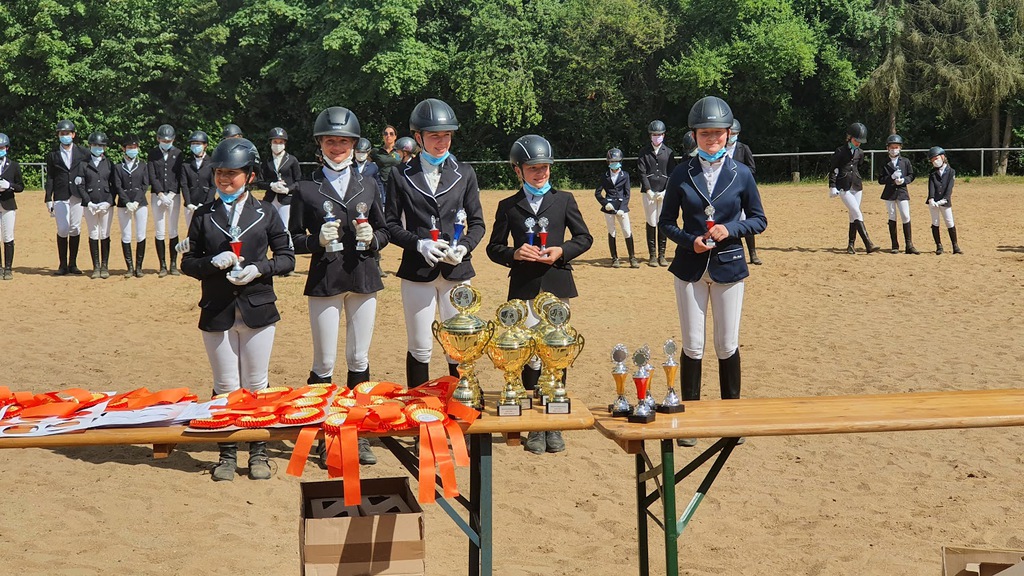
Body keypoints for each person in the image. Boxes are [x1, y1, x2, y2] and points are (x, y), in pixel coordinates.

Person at [181, 138, 295, 482]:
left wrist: (260, 268)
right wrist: (210, 263)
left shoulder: (266, 212)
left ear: (250, 175)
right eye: (219, 172)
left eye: (231, 173)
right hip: (217, 309)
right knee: (226, 383)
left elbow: (287, 258)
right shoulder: (203, 214)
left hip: (258, 308)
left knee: (256, 383)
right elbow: (188, 262)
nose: (224, 178)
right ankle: (227, 452)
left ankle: (258, 450)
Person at [659, 96, 767, 448]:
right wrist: (689, 241)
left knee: (726, 343)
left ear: (728, 134)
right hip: (690, 266)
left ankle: (731, 420)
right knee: (693, 344)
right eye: (705, 134)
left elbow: (759, 220)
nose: (712, 139)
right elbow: (665, 222)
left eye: (718, 133)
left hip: (729, 264)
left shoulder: (742, 173)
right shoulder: (681, 173)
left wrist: (730, 229)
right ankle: (689, 421)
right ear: (694, 136)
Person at [289, 107, 389, 465]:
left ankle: (357, 430)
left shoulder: (369, 184)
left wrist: (373, 238)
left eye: (343, 142)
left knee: (359, 357)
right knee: (324, 360)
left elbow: (385, 230)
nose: (337, 147)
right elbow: (292, 239)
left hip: (363, 277)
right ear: (320, 144)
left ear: (353, 145)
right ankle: (323, 432)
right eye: (330, 141)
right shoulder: (305, 188)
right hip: (326, 279)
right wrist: (315, 240)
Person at [486, 134, 593, 454]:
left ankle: (554, 423)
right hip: (524, 288)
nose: (541, 172)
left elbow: (584, 238)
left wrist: (562, 250)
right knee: (530, 355)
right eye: (533, 168)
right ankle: (534, 424)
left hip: (557, 285)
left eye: (544, 167)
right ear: (517, 170)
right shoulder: (508, 206)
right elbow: (494, 247)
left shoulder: (565, 200)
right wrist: (514, 254)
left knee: (556, 352)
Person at [385, 98, 486, 389]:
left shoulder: (465, 172)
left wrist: (464, 247)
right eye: (434, 136)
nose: (442, 142)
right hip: (418, 270)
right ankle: (420, 407)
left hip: (457, 270)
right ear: (419, 137)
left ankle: (461, 404)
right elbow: (390, 224)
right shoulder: (400, 175)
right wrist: (419, 244)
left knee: (459, 345)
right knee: (420, 346)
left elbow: (477, 223)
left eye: (446, 135)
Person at [44, 119, 89, 275]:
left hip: (77, 194)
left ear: (73, 135)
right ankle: (62, 264)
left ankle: (73, 263)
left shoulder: (83, 153)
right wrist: (48, 197)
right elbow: (50, 177)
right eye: (62, 133)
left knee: (75, 228)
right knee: (63, 228)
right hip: (60, 194)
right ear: (58, 135)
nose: (65, 136)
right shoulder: (53, 155)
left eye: (67, 133)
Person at [828, 123, 880, 255]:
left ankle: (851, 245)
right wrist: (832, 185)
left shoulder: (860, 152)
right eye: (856, 140)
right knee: (857, 212)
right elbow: (833, 169)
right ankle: (868, 243)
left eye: (860, 141)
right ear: (849, 138)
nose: (858, 143)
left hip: (857, 186)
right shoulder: (840, 151)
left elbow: (857, 166)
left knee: (853, 215)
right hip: (844, 187)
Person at [637, 120, 675, 267]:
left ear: (663, 135)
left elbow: (672, 172)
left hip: (664, 191)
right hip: (649, 192)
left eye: (659, 135)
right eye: (654, 134)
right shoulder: (644, 152)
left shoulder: (669, 152)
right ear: (650, 136)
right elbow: (642, 172)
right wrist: (647, 189)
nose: (657, 137)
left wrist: (666, 190)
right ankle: (652, 255)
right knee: (651, 221)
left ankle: (662, 255)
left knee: (661, 221)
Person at [148, 124, 184, 276]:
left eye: (169, 141)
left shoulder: (178, 153)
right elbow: (152, 175)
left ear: (173, 139)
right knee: (159, 230)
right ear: (158, 139)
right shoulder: (153, 153)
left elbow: (179, 175)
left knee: (173, 229)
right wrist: (160, 194)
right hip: (158, 196)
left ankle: (173, 264)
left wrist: (172, 193)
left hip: (173, 196)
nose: (166, 142)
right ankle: (162, 264)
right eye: (163, 140)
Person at [113, 134, 149, 278]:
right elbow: (118, 185)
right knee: (126, 234)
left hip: (140, 203)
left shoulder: (143, 165)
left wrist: (136, 201)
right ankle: (129, 267)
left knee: (140, 234)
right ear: (124, 149)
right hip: (124, 204)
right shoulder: (118, 167)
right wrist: (126, 201)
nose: (132, 149)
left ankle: (139, 267)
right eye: (129, 147)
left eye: (134, 147)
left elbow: (145, 185)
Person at [726, 119, 761, 265]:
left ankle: (753, 253)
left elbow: (751, 168)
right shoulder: (720, 148)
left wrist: (737, 175)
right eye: (731, 133)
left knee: (745, 220)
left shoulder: (744, 148)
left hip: (740, 189)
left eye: (735, 133)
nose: (732, 136)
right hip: (725, 191)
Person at [595, 148, 637, 268]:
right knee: (612, 231)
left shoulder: (625, 175)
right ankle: (614, 258)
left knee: (627, 231)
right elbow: (597, 193)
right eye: (612, 161)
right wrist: (605, 203)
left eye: (617, 161)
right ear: (608, 162)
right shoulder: (605, 176)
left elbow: (627, 194)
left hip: (621, 207)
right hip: (609, 208)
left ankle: (632, 257)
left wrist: (623, 208)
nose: (614, 163)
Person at [82, 132, 115, 279]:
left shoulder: (109, 163)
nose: (98, 147)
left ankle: (104, 265)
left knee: (105, 233)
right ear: (90, 146)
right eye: (95, 145)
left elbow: (114, 185)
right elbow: (80, 185)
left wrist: (109, 201)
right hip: (90, 204)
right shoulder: (83, 164)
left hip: (106, 204)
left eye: (101, 145)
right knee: (93, 233)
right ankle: (95, 266)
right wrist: (88, 202)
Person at [878, 134, 919, 254]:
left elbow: (911, 175)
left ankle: (909, 244)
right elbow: (880, 180)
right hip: (889, 193)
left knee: (905, 215)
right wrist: (891, 178)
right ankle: (894, 244)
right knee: (892, 216)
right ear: (887, 148)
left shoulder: (905, 161)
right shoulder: (884, 162)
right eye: (892, 147)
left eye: (896, 147)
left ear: (900, 148)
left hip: (902, 191)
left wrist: (904, 180)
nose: (894, 149)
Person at [257, 127, 301, 229]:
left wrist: (288, 189)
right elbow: (259, 182)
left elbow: (298, 181)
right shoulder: (267, 161)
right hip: (270, 200)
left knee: (285, 228)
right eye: (275, 142)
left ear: (284, 143)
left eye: (280, 142)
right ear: (271, 143)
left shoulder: (292, 160)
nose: (278, 145)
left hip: (286, 200)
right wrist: (271, 185)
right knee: (268, 227)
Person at [355, 137, 387, 278]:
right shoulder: (349, 166)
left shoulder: (373, 167)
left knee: (372, 231)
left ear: (368, 153)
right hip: (354, 203)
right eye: (358, 152)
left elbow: (378, 184)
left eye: (363, 152)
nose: (360, 154)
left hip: (369, 203)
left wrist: (382, 201)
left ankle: (377, 264)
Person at [926, 146, 962, 255]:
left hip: (945, 201)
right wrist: (931, 198)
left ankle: (955, 245)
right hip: (934, 201)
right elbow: (931, 187)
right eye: (932, 160)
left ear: (942, 157)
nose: (934, 161)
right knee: (935, 222)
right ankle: (939, 245)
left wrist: (945, 199)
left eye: (936, 158)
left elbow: (949, 187)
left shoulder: (951, 172)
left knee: (949, 222)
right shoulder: (932, 173)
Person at [0, 133, 25, 280]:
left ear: (7, 148)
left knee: (8, 236)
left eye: (2, 147)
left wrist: (9, 185)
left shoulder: (14, 165)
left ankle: (8, 268)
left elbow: (20, 186)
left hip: (8, 203)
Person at [182, 130, 214, 232]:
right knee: (192, 232)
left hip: (206, 204)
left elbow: (213, 186)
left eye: (198, 144)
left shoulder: (211, 163)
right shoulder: (186, 164)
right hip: (191, 204)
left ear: (205, 145)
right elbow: (184, 185)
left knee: (206, 232)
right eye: (193, 144)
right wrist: (188, 203)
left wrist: (206, 204)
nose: (195, 146)